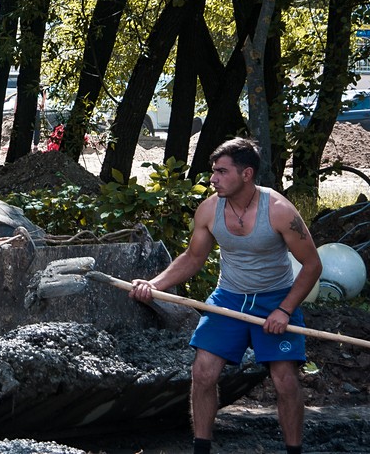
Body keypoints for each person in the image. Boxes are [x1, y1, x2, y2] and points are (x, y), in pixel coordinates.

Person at [128, 137, 322, 454]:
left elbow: (313, 265)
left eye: (221, 171)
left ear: (246, 174)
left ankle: (293, 451)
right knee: (203, 372)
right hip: (228, 298)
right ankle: (202, 449)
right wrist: (154, 285)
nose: (213, 179)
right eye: (213, 171)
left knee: (285, 380)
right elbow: (193, 258)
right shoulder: (209, 210)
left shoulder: (279, 211)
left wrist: (285, 310)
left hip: (275, 299)